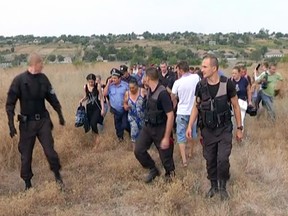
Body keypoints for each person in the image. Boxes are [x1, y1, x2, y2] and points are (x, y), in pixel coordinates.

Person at [186, 54, 243, 201]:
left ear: (214, 68)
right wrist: (190, 125)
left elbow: (236, 106)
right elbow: (196, 106)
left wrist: (239, 128)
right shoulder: (200, 86)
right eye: (202, 66)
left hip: (224, 129)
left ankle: (223, 187)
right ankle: (213, 186)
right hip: (207, 131)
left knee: (222, 159)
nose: (201, 69)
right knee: (210, 159)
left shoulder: (227, 84)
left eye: (204, 66)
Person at [5, 53, 65, 190]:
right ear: (34, 64)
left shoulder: (43, 79)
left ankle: (57, 176)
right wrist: (11, 124)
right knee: (26, 155)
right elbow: (10, 104)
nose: (42, 65)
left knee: (50, 151)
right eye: (40, 63)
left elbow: (52, 97)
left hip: (43, 121)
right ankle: (27, 183)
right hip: (27, 124)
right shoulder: (19, 80)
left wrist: (60, 114)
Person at [134, 67, 175, 183]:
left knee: (166, 158)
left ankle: (170, 177)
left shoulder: (162, 93)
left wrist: (167, 137)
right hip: (148, 127)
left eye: (144, 77)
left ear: (148, 78)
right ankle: (153, 169)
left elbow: (170, 115)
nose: (142, 79)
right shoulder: (149, 89)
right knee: (139, 150)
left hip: (161, 128)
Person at [171, 61, 200, 167]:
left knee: (181, 136)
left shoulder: (177, 83)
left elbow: (173, 96)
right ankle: (191, 153)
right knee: (192, 134)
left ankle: (184, 160)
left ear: (181, 70)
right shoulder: (196, 77)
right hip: (194, 111)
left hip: (182, 112)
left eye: (177, 70)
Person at [103, 68, 130, 141]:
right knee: (117, 126)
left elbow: (130, 96)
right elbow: (104, 94)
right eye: (112, 78)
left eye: (115, 78)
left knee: (125, 124)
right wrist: (108, 83)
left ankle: (131, 134)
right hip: (115, 110)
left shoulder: (126, 85)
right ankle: (120, 139)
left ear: (120, 78)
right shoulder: (110, 86)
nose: (113, 79)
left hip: (124, 109)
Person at [79, 74, 105, 146]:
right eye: (89, 82)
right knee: (91, 125)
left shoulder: (98, 86)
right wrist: (82, 100)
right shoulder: (85, 86)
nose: (91, 83)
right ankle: (95, 141)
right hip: (89, 108)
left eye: (92, 82)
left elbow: (101, 98)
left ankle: (98, 140)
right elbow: (86, 96)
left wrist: (102, 109)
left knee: (94, 123)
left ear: (94, 81)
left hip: (96, 108)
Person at [123, 77, 146, 150]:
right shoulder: (127, 93)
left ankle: (144, 148)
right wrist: (126, 106)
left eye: (133, 87)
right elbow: (124, 103)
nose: (131, 89)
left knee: (143, 134)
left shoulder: (142, 91)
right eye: (130, 88)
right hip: (132, 117)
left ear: (137, 86)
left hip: (142, 117)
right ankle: (135, 150)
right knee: (134, 133)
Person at [231, 66, 252, 130]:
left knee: (241, 118)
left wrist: (249, 101)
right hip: (233, 103)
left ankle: (240, 134)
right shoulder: (230, 81)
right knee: (232, 120)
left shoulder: (244, 80)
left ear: (239, 73)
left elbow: (248, 90)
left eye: (235, 73)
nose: (234, 75)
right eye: (233, 73)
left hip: (242, 101)